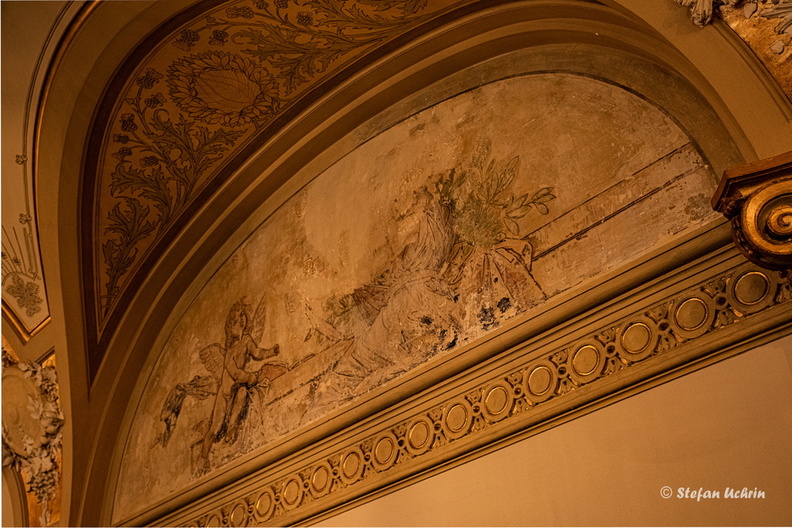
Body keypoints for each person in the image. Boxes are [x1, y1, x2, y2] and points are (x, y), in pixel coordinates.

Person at [200, 299, 279, 464]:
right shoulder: (229, 351)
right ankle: (204, 457)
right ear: (230, 327)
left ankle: (232, 428)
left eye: (242, 319)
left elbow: (257, 353)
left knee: (243, 393)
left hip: (237, 388)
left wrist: (271, 352)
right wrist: (250, 377)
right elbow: (234, 372)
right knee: (215, 428)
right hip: (224, 394)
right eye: (236, 321)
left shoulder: (247, 341)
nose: (240, 323)